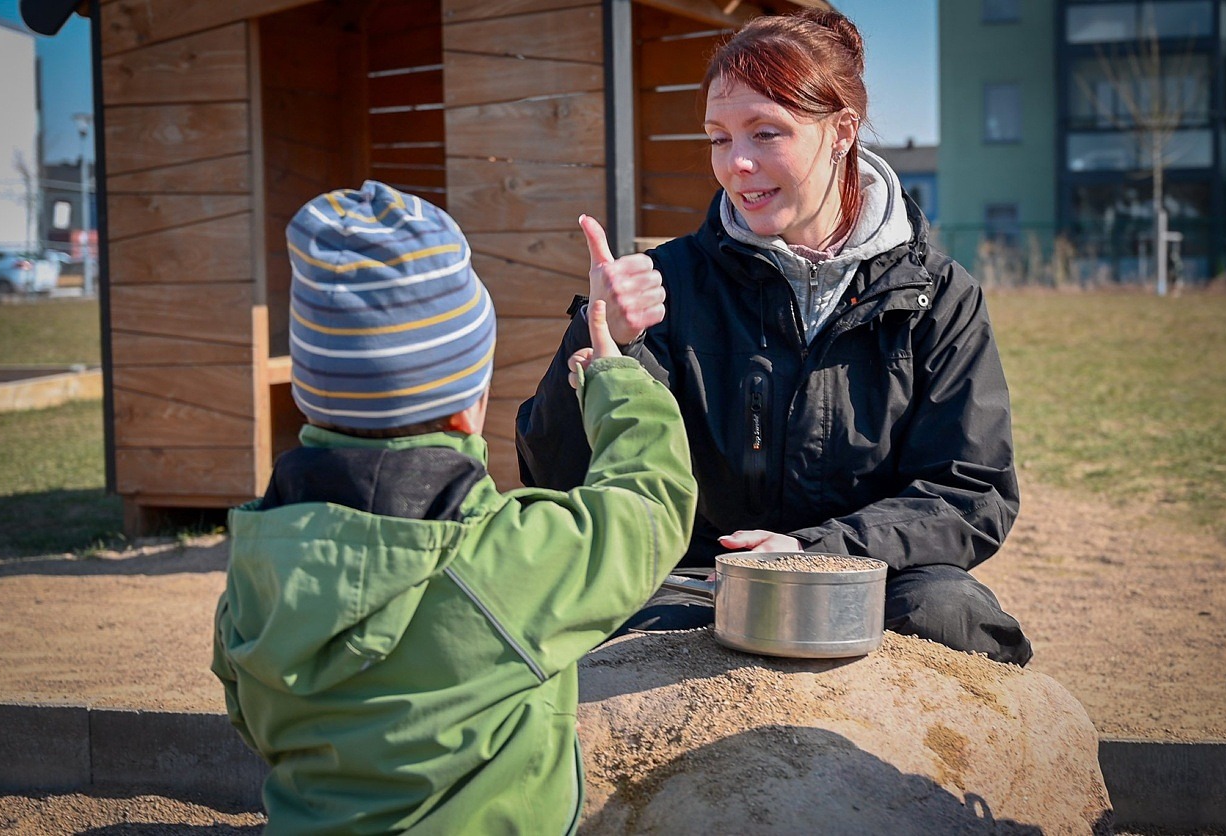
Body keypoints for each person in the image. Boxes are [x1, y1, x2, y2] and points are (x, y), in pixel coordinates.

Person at [515, 9, 1032, 666]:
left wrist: (817, 554)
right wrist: (599, 345)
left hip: (874, 579)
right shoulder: (666, 288)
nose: (737, 163)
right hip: (699, 582)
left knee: (950, 611)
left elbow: (970, 491)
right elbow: (558, 479)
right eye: (718, 138)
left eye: (766, 133)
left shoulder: (939, 296)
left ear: (841, 131)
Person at [211, 181, 697, 834]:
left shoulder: (261, 559)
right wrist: (617, 380)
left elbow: (247, 715)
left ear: (310, 393)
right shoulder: (502, 563)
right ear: (469, 406)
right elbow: (648, 504)